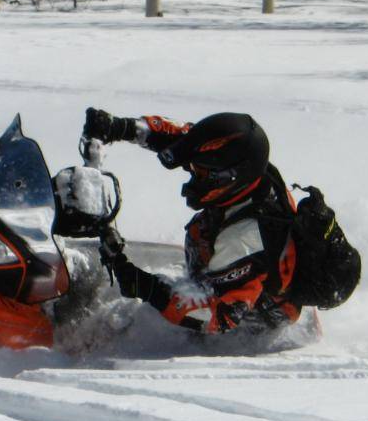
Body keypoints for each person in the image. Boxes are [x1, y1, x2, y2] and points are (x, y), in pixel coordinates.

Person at [82, 108, 301, 334]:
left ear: (230, 177)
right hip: (238, 267)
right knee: (202, 232)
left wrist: (143, 285)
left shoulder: (242, 239)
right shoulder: (251, 171)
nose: (194, 178)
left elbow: (211, 316)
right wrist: (121, 127)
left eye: (203, 174)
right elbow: (184, 138)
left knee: (202, 241)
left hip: (253, 313)